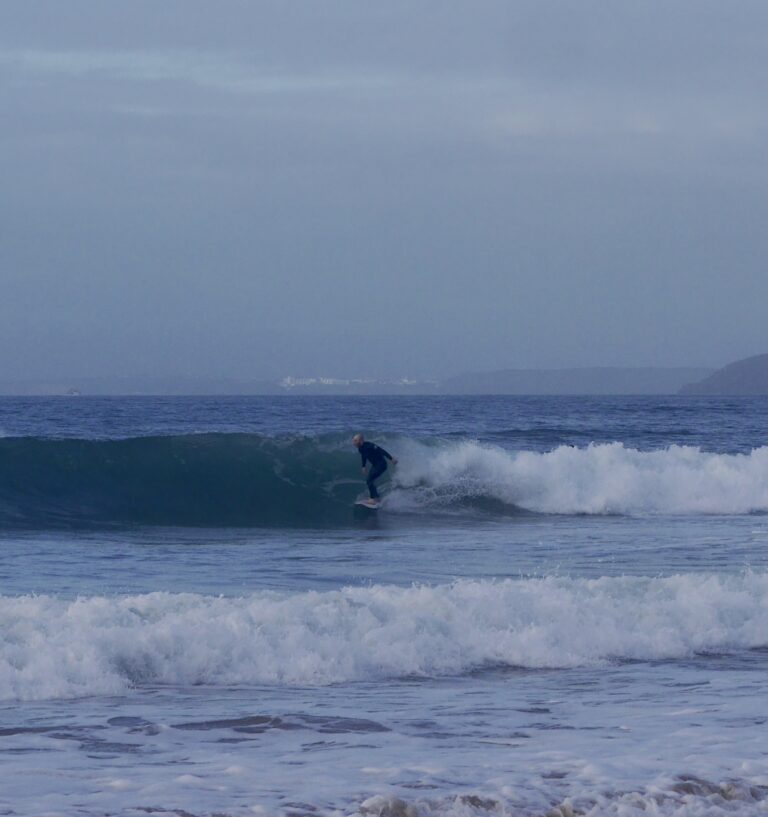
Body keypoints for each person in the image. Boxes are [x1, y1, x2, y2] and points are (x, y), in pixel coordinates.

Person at [352, 433, 397, 503]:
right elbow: (364, 456)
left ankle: (374, 498)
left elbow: (381, 450)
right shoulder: (360, 449)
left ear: (361, 440)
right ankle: (376, 497)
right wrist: (363, 466)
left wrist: (391, 458)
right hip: (375, 465)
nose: (353, 443)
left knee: (369, 480)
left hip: (381, 465)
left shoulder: (369, 445)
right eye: (353, 441)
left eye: (355, 441)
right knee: (370, 480)